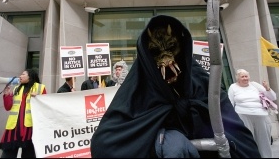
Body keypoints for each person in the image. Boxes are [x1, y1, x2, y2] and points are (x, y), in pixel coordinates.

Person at [91, 15, 261, 158]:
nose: (166, 59)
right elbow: (105, 143)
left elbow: (239, 137)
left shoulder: (201, 83)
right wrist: (159, 141)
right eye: (156, 52)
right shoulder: (137, 90)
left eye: (172, 47)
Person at [228, 68, 277, 158]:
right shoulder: (233, 87)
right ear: (238, 78)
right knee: (248, 139)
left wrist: (267, 88)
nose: (245, 78)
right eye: (242, 76)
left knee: (264, 140)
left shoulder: (255, 85)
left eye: (246, 76)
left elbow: (273, 97)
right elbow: (230, 102)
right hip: (243, 115)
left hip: (261, 115)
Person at [0, 69, 46, 158]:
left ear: (30, 76)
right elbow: (8, 107)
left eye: (23, 74)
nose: (20, 76)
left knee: (29, 154)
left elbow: (44, 107)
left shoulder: (40, 88)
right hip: (14, 127)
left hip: (30, 127)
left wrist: (38, 97)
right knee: (7, 155)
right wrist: (7, 95)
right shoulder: (16, 88)